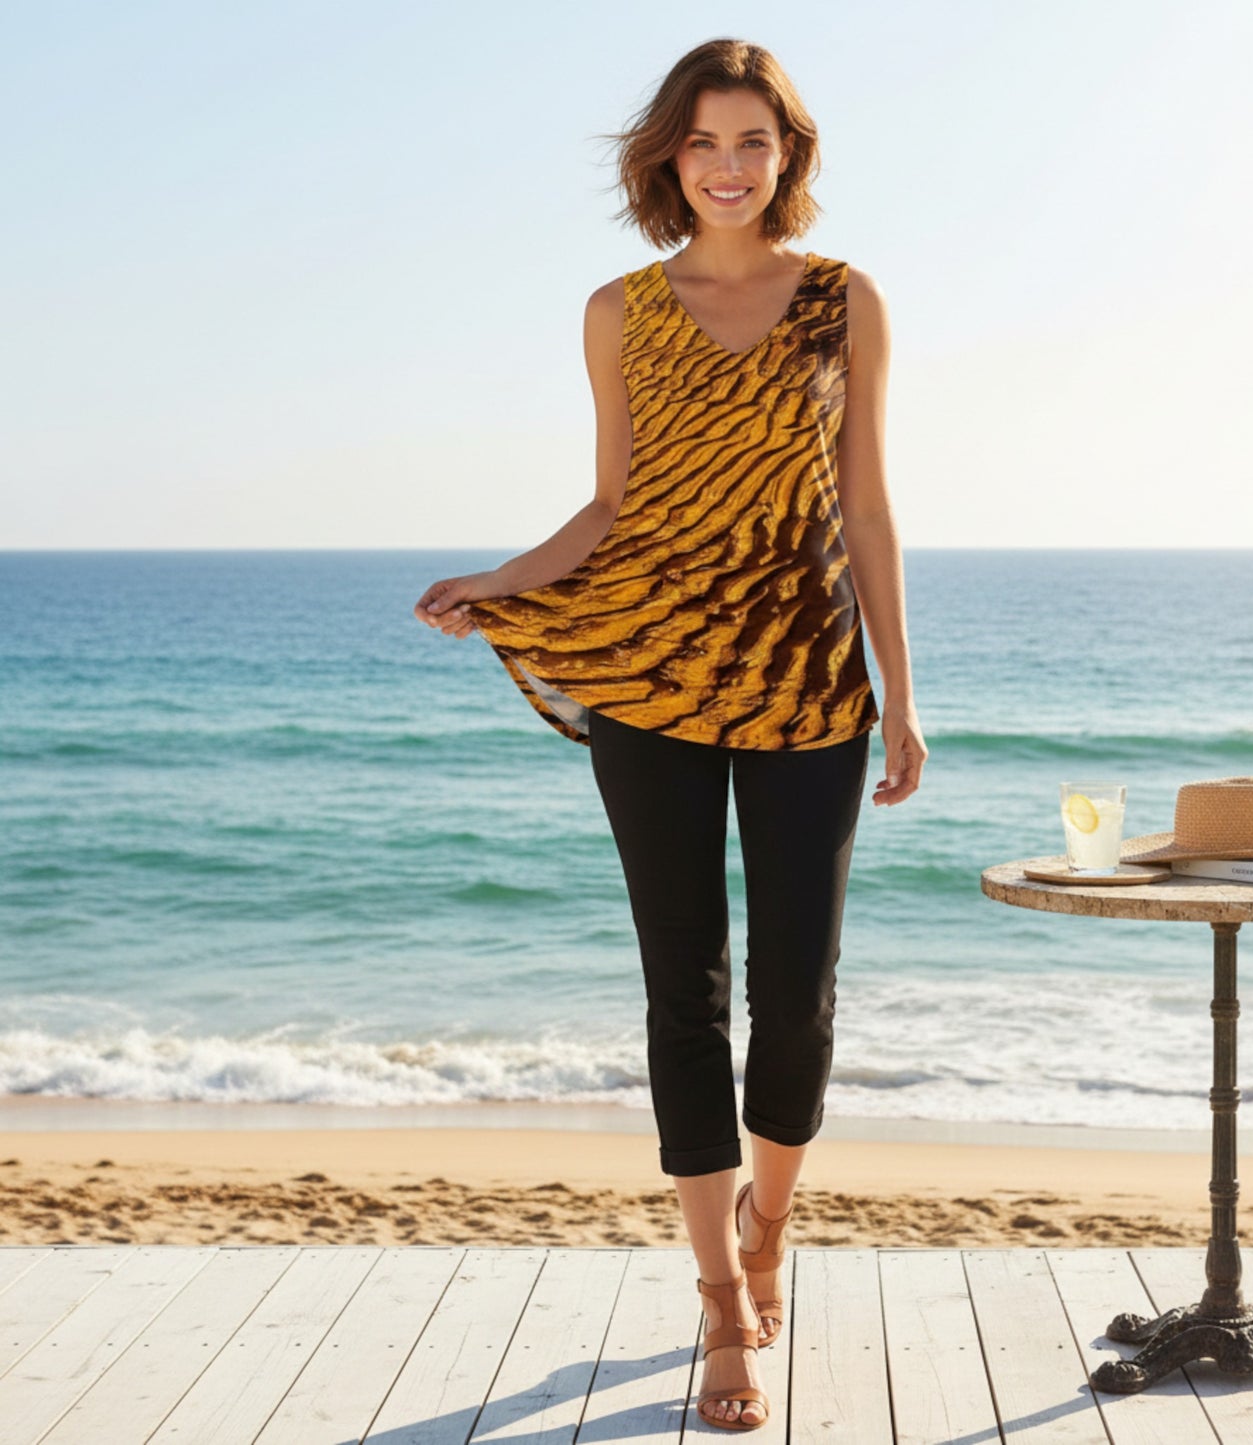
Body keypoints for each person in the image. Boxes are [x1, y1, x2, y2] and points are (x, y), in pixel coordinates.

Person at [414, 37, 925, 1432]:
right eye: (703, 142)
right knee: (682, 985)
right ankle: (716, 1294)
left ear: (787, 156)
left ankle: (770, 1216)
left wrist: (902, 688)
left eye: (752, 141)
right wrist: (499, 581)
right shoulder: (619, 310)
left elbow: (866, 508)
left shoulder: (843, 301)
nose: (727, 165)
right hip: (650, 677)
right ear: (668, 158)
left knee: (798, 992)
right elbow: (609, 509)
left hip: (810, 681)